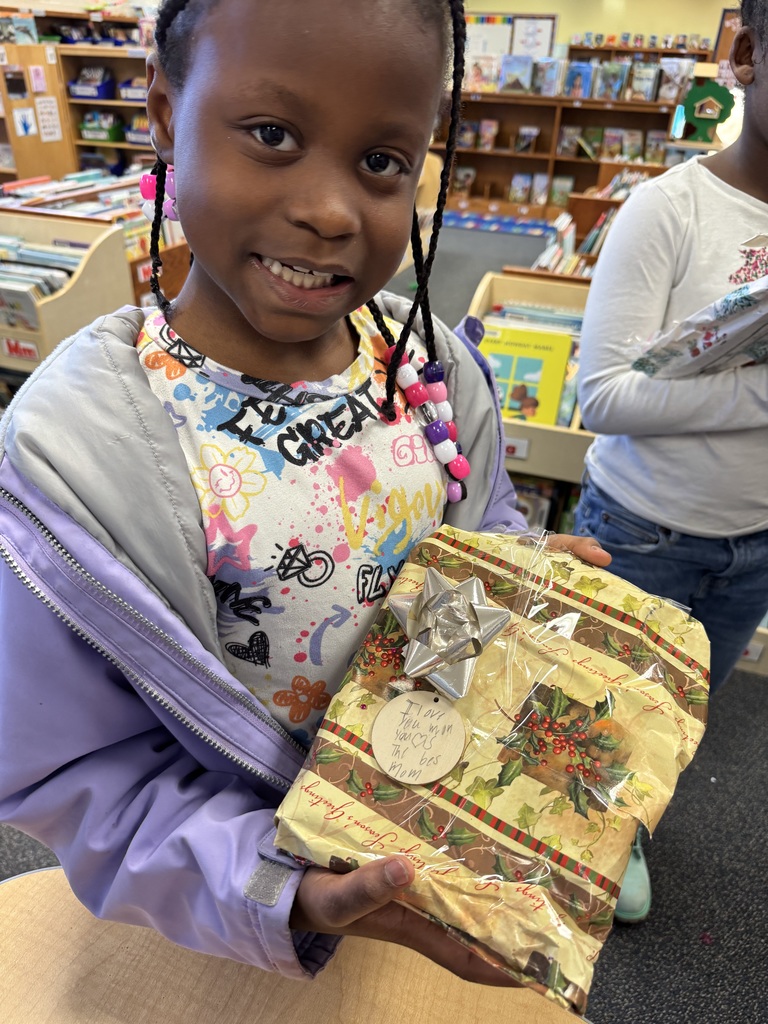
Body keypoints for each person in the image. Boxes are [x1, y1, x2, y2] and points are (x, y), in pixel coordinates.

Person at [0, 0, 609, 985]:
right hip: (208, 903)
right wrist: (278, 886)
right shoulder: (79, 452)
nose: (332, 210)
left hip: (418, 858)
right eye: (273, 135)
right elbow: (73, 776)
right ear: (160, 114)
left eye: (381, 162)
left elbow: (474, 531)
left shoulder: (432, 367)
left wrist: (523, 576)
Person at [573, 0, 768, 926]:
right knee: (601, 710)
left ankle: (629, 819)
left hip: (756, 542)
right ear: (746, 53)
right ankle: (592, 832)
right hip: (643, 532)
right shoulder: (670, 207)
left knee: (680, 717)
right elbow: (603, 398)